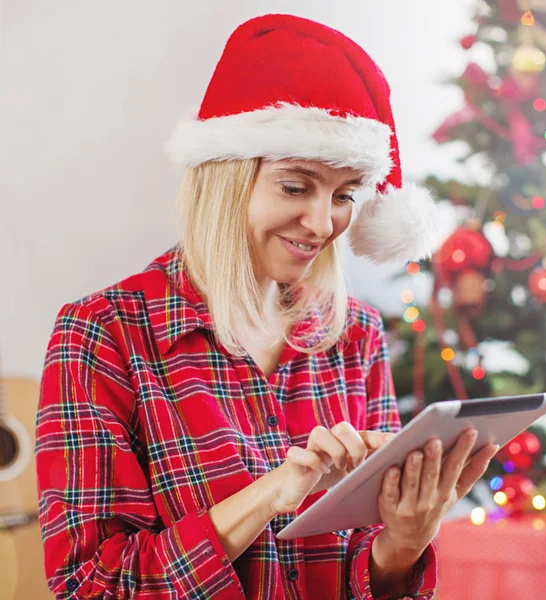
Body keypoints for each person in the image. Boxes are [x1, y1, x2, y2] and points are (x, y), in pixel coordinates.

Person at [35, 13, 499, 600]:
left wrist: (402, 543)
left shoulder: (354, 334)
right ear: (226, 180)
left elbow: (365, 569)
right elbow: (90, 584)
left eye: (344, 195)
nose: (322, 222)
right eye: (295, 185)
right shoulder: (105, 335)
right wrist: (274, 493)